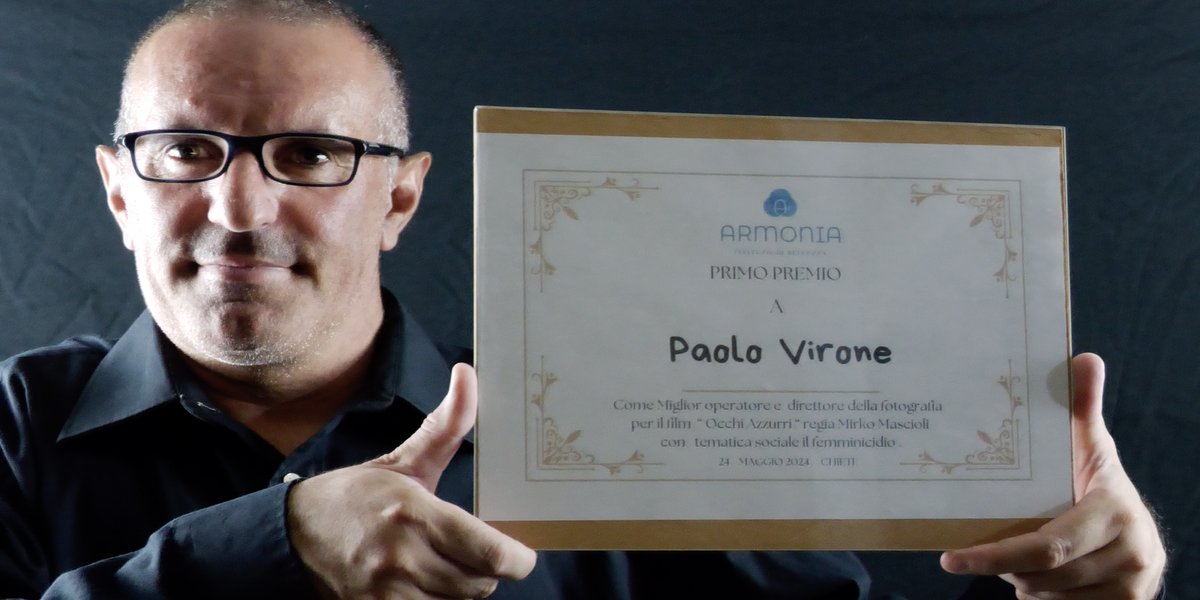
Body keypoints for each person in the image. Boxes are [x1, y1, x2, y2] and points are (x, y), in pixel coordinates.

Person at [0, 1, 1167, 598]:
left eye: (309, 154)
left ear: (400, 199)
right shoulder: (10, 427)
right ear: (117, 189)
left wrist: (1061, 599)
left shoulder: (604, 433)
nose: (239, 207)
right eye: (184, 151)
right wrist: (280, 548)